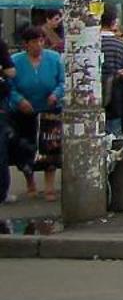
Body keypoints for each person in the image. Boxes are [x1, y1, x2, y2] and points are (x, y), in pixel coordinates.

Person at [9, 25, 64, 201]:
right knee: (26, 148)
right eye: (34, 42)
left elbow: (63, 82)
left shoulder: (54, 58)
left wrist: (56, 94)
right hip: (25, 111)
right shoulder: (15, 60)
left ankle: (49, 188)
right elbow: (9, 86)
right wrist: (19, 100)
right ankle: (30, 183)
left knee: (50, 149)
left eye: (41, 41)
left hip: (50, 110)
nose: (38, 45)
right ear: (26, 44)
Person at [99, 8, 123, 137]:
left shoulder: (92, 43)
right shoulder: (120, 44)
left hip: (93, 94)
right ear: (113, 22)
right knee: (113, 134)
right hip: (114, 94)